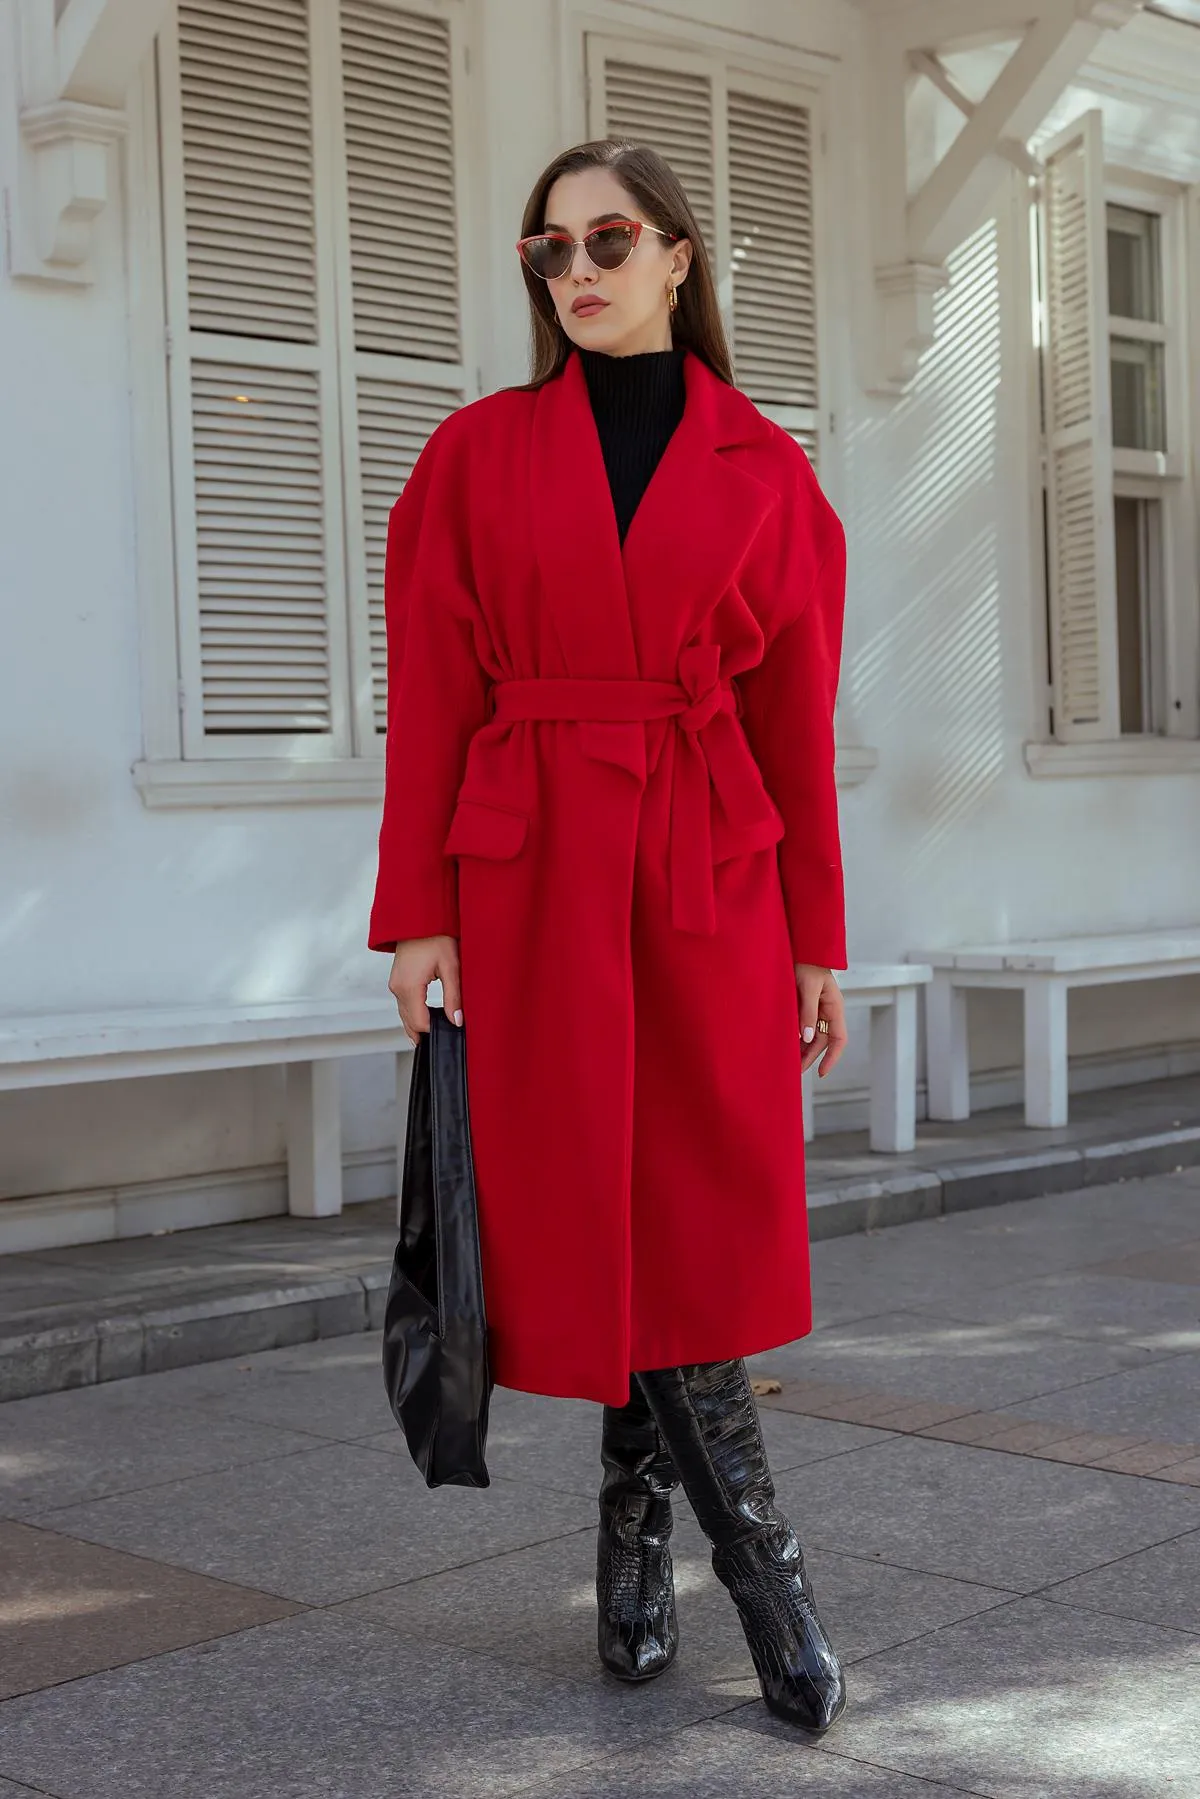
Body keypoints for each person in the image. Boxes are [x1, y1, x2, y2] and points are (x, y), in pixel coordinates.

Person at [368, 137, 850, 1734]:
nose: (576, 268)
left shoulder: (769, 474)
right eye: (549, 247)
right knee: (591, 1203)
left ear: (678, 258)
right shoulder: (473, 456)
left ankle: (653, 1546)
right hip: (532, 867)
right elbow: (433, 697)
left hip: (712, 868)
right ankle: (761, 1582)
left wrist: (816, 941)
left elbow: (797, 730)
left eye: (610, 237)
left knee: (689, 1216)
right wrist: (417, 911)